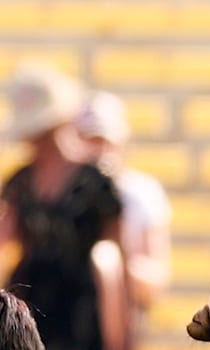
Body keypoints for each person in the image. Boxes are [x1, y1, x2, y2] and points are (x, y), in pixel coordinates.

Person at [0, 65, 125, 350]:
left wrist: (122, 331)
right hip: (29, 300)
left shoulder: (98, 182)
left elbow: (116, 255)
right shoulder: (19, 181)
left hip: (81, 306)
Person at [77, 91, 171, 315]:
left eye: (105, 142)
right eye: (91, 142)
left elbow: (156, 279)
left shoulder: (142, 193)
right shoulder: (66, 196)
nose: (99, 152)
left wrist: (117, 266)